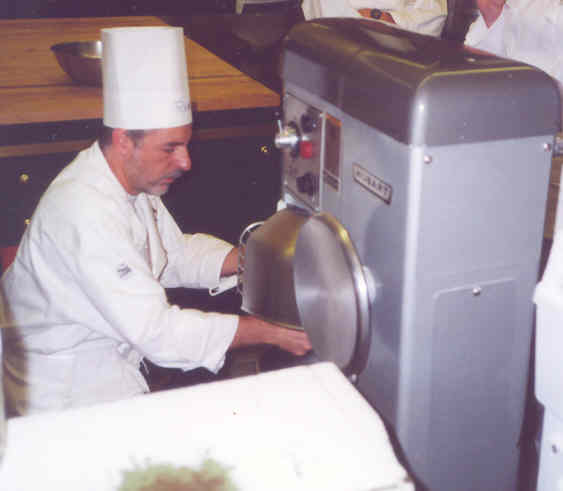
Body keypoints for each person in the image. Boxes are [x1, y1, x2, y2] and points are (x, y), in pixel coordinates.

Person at [0, 26, 311, 416]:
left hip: (109, 370)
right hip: (63, 397)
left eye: (186, 144)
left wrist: (251, 259)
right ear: (124, 141)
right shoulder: (84, 211)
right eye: (170, 148)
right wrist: (271, 333)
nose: (186, 162)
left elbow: (171, 253)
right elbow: (159, 334)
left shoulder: (129, 182)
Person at [464, 0, 563, 105]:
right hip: (516, 102)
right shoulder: (521, 5)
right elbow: (481, 60)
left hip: (542, 102)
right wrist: (492, 17)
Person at [300, 0, 448, 36]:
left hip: (395, 40)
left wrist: (386, 18)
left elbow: (434, 16)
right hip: (336, 38)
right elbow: (322, 10)